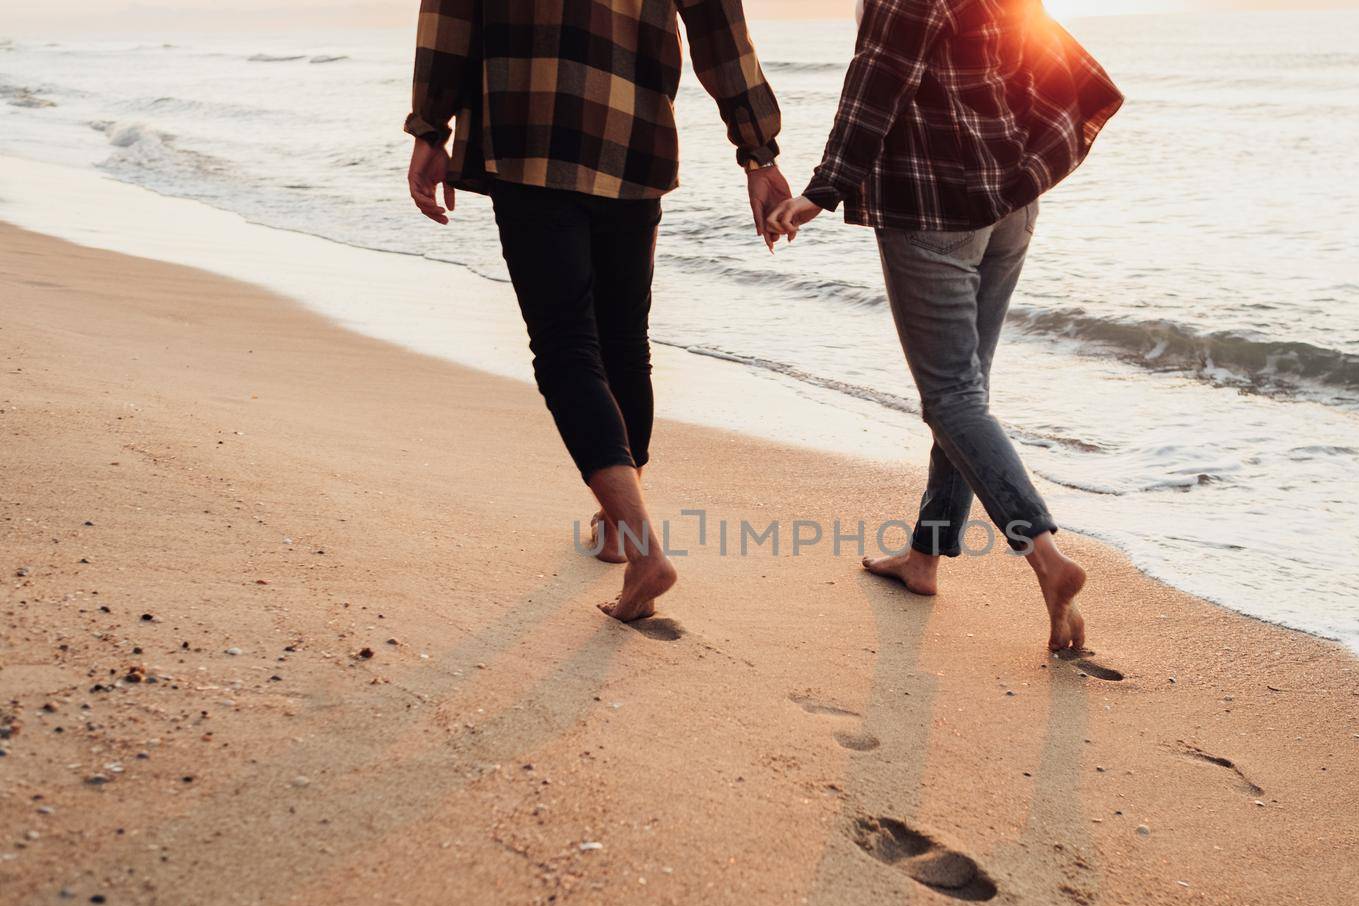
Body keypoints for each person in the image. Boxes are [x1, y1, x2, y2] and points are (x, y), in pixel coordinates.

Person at [404, 0, 792, 623]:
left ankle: (640, 548)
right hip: (632, 140)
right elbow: (721, 31)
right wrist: (759, 154)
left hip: (528, 133)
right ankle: (617, 531)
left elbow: (450, 18)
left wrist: (431, 128)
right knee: (622, 343)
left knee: (565, 347)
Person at [766, 0, 1121, 653]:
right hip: (1010, 197)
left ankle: (1045, 556)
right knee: (968, 392)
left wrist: (823, 189)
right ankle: (926, 555)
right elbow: (1029, 55)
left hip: (935, 205)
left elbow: (877, 80)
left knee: (953, 398)